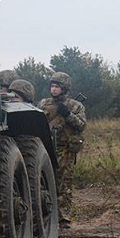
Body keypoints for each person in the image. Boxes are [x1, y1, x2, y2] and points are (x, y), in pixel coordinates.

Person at [39, 71, 86, 221]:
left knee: (64, 185)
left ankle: (63, 218)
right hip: (46, 149)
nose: (53, 89)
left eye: (57, 86)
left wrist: (68, 114)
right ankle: (47, 216)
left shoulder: (75, 105)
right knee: (45, 184)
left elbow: (81, 125)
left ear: (65, 88)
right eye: (52, 86)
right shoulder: (43, 104)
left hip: (65, 150)